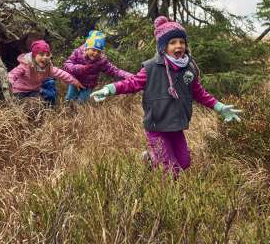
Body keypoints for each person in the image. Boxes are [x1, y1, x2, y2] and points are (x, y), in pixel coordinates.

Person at [90, 16, 241, 177]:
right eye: (173, 42)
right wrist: (109, 89)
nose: (179, 45)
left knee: (184, 163)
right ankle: (168, 196)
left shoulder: (189, 68)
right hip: (157, 126)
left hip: (176, 125)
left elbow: (199, 93)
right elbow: (131, 83)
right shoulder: (151, 68)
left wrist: (220, 107)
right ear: (163, 47)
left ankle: (150, 159)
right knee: (172, 170)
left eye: (182, 42)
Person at [63, 30, 133, 103]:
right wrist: (80, 68)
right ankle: (66, 112)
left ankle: (77, 112)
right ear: (87, 48)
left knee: (81, 102)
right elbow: (67, 64)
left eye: (99, 51)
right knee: (69, 99)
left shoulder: (101, 61)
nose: (96, 53)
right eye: (93, 50)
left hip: (88, 86)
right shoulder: (78, 53)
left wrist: (131, 76)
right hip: (75, 81)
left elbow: (115, 71)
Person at [8, 39, 84, 106]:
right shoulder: (25, 65)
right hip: (19, 91)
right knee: (26, 105)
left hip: (33, 91)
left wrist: (75, 82)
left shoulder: (48, 67)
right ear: (34, 56)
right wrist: (9, 81)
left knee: (42, 100)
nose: (45, 57)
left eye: (47, 55)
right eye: (41, 54)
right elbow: (13, 74)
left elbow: (62, 74)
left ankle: (48, 109)